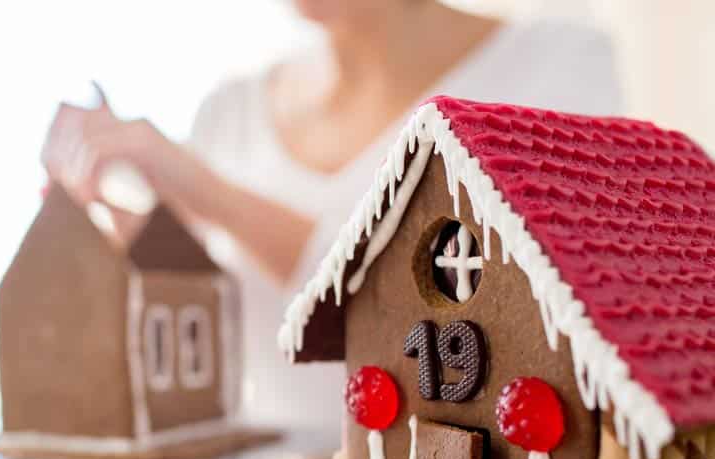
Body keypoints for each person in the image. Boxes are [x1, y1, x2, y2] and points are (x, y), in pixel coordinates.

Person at [42, 0, 622, 434]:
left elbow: (478, 307)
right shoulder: (230, 111)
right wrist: (111, 231)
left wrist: (206, 189)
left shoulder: (557, 67)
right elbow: (209, 311)